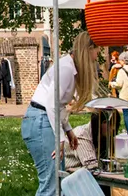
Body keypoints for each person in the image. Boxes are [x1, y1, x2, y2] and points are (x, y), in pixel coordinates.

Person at [22, 32, 99, 196]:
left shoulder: (69, 66)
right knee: (51, 187)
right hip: (41, 122)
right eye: (96, 52)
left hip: (42, 120)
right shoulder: (65, 68)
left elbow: (59, 105)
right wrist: (60, 139)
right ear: (88, 50)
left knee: (59, 185)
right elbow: (51, 104)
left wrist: (69, 130)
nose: (96, 58)